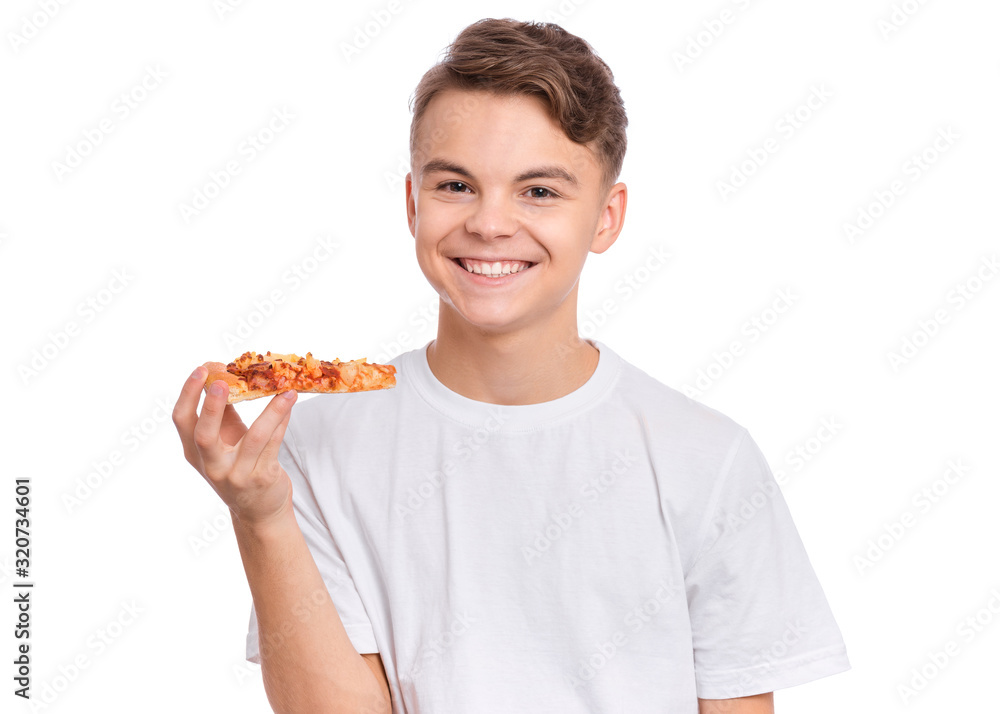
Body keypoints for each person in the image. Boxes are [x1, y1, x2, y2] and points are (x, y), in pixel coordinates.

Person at [173, 17, 850, 714]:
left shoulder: (707, 459)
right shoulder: (315, 448)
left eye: (539, 192)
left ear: (607, 218)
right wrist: (261, 518)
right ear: (413, 204)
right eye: (457, 186)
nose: (491, 224)